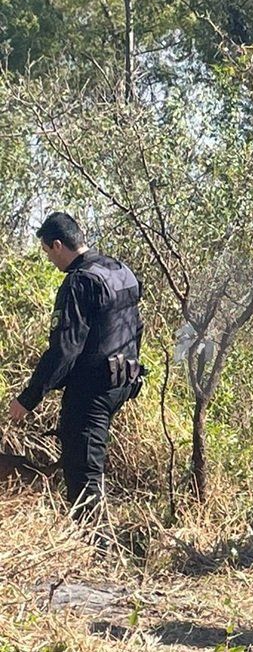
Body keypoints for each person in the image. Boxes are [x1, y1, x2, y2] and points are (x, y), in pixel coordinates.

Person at [8, 212, 144, 523]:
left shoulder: (79, 281)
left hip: (92, 390)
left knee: (83, 475)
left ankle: (96, 546)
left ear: (57, 245)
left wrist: (28, 399)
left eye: (47, 251)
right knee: (89, 460)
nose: (49, 258)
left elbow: (64, 350)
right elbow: (136, 327)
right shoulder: (119, 270)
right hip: (122, 382)